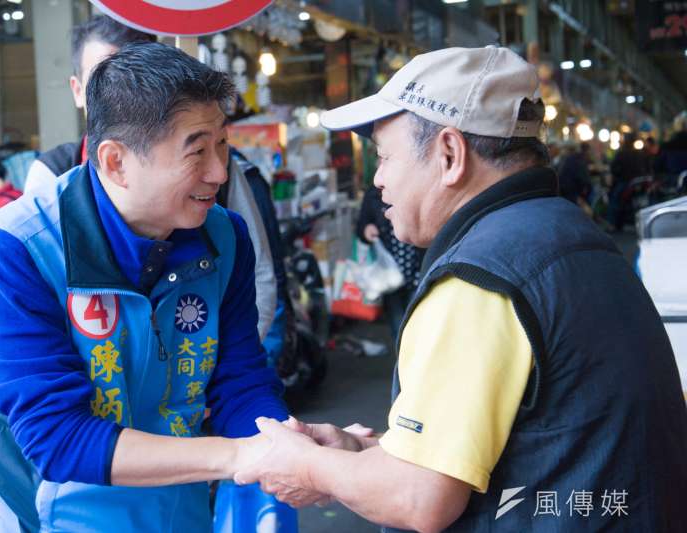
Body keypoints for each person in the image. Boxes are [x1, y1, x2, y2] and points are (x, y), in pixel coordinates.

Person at [235, 46, 687, 532]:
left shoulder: (479, 278)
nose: (379, 181)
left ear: (450, 154)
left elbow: (418, 497)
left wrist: (303, 464)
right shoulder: (571, 234)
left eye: (385, 158)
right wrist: (363, 454)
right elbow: (514, 444)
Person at [0, 42, 286, 532]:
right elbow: (57, 437)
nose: (219, 171)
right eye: (197, 150)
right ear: (115, 162)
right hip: (36, 515)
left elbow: (240, 380)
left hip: (172, 508)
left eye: (222, 144)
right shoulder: (14, 250)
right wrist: (241, 455)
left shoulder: (225, 236)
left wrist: (286, 444)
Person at [24, 14, 277, 341]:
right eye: (104, 74)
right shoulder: (22, 239)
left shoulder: (226, 230)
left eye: (140, 71)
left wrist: (207, 376)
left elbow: (258, 287)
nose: (217, 172)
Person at [356, 183, 424, 339]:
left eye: (387, 158)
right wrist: (366, 229)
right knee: (397, 319)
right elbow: (361, 224)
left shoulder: (415, 187)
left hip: (416, 267)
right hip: (389, 272)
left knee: (417, 318)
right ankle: (401, 358)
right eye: (381, 160)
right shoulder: (373, 194)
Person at [608, 135, 648, 231]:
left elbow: (613, 167)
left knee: (614, 199)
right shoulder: (639, 153)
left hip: (626, 182)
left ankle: (613, 224)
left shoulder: (621, 154)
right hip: (638, 181)